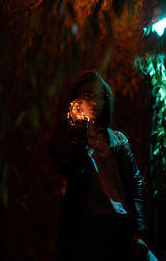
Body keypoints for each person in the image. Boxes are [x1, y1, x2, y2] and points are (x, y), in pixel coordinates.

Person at [48, 69, 158, 261]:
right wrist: (80, 130)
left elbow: (135, 185)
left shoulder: (118, 140)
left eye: (100, 96)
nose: (94, 102)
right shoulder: (66, 138)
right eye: (88, 96)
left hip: (122, 226)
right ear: (76, 99)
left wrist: (140, 232)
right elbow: (71, 170)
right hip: (88, 229)